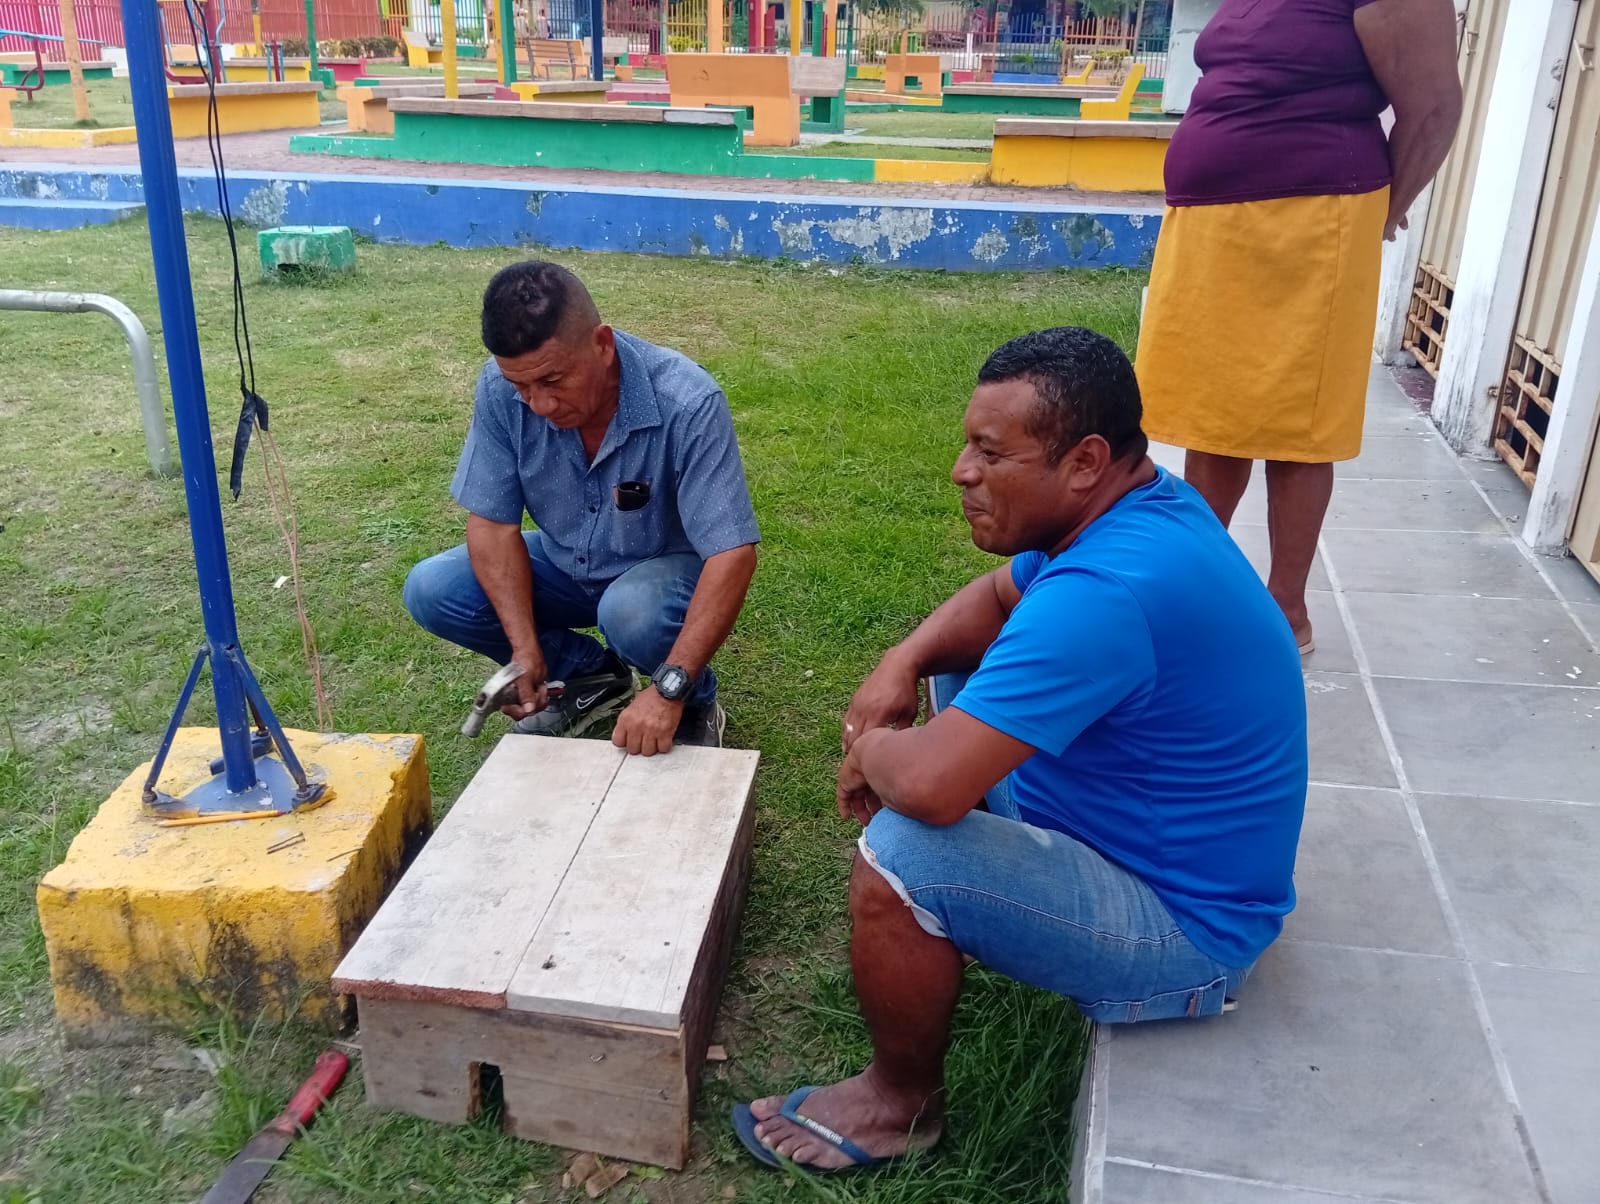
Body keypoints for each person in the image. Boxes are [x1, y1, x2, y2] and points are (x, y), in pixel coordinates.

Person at [732, 328, 1307, 1171]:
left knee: (904, 851)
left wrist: (871, 750)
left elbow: (929, 787)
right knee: (958, 674)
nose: (961, 471)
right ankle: (980, 908)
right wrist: (901, 661)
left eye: (991, 452)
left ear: (1085, 461)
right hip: (1139, 835)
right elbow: (1000, 598)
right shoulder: (1139, 507)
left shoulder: (1107, 591)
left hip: (1187, 932)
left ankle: (898, 1106)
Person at [1135, 0, 1462, 653]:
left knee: (1299, 426)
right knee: (1216, 415)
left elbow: (1433, 108)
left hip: (1309, 224)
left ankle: (1286, 611)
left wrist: (1384, 211)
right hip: (1218, 224)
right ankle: (1197, 588)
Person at [404, 261, 759, 754]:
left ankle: (692, 699)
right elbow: (492, 527)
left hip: (661, 579)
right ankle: (590, 676)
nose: (539, 405)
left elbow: (732, 554)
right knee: (433, 588)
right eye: (522, 387)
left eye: (553, 379)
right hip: (566, 562)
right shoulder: (500, 388)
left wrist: (668, 689)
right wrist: (524, 650)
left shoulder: (687, 400)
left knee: (631, 611)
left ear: (603, 344)